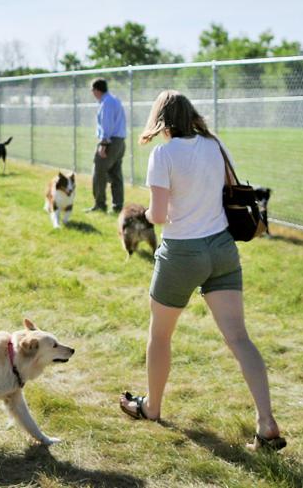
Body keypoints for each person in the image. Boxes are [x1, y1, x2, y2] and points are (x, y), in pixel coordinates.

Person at [118, 90, 285, 452]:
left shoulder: (163, 155)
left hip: (182, 253)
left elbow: (158, 216)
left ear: (160, 121)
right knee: (239, 338)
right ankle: (266, 422)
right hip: (222, 249)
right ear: (190, 115)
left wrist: (148, 213)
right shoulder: (214, 145)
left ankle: (152, 408)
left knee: (160, 336)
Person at [87, 78, 127, 214]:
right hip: (120, 141)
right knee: (115, 174)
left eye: (92, 90)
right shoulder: (114, 100)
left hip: (110, 141)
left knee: (99, 172)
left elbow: (107, 124)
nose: (92, 93)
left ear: (97, 90)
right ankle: (118, 205)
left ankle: (100, 204)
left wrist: (103, 144)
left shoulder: (107, 102)